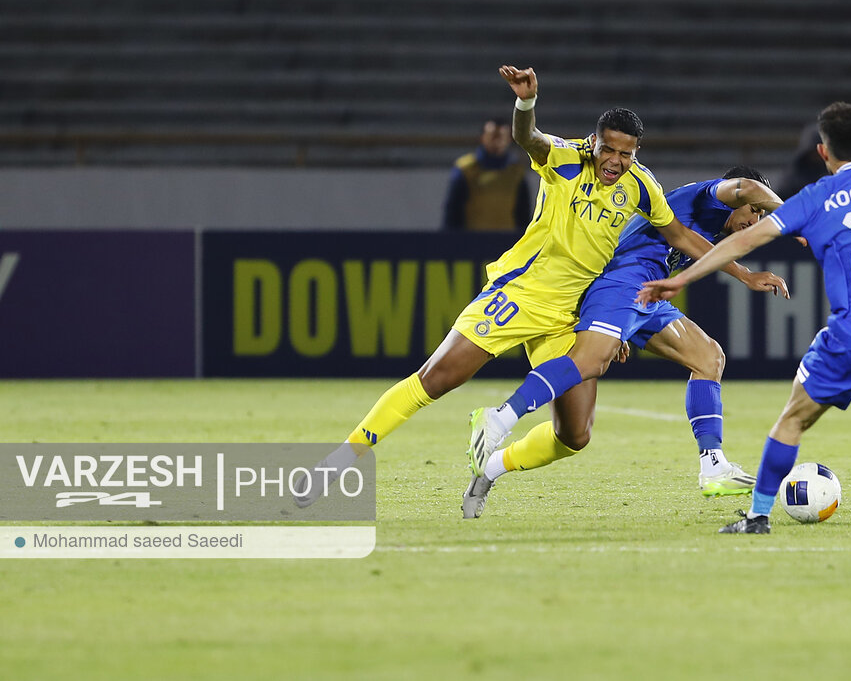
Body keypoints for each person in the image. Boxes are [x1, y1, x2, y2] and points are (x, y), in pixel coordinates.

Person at [293, 65, 781, 510]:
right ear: (594, 141)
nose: (614, 161)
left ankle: (491, 465)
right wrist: (525, 104)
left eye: (625, 154)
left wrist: (619, 325)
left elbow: (678, 235)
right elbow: (528, 139)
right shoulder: (565, 157)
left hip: (572, 312)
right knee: (436, 379)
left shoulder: (641, 185)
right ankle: (340, 461)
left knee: (575, 436)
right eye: (608, 148)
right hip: (521, 294)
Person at [638, 102, 851, 537]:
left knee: (793, 420)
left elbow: (741, 242)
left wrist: (680, 279)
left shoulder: (817, 197)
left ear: (823, 152)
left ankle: (758, 517)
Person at [462, 167, 790, 517]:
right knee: (590, 362)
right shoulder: (710, 197)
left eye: (763, 216)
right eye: (755, 211)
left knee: (709, 357)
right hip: (622, 284)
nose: (756, 221)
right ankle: (497, 419)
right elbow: (747, 187)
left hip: (648, 294)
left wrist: (745, 275)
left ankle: (713, 466)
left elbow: (703, 250)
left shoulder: (710, 225)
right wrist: (798, 214)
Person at [442, 117, 533, 231]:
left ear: (509, 139)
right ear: (483, 137)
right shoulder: (466, 169)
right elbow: (453, 210)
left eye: (501, 136)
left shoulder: (516, 173)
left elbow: (523, 212)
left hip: (508, 241)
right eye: (493, 136)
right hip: (472, 240)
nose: (497, 141)